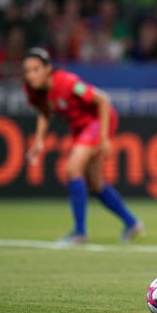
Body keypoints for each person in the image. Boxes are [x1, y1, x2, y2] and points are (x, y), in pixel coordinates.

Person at [22, 47, 144, 244]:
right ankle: (132, 223)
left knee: (72, 170)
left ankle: (79, 231)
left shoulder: (68, 83)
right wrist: (38, 141)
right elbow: (44, 112)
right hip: (81, 128)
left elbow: (103, 101)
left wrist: (105, 139)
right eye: (27, 71)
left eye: (35, 69)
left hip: (98, 121)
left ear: (48, 69)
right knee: (95, 184)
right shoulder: (33, 90)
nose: (30, 75)